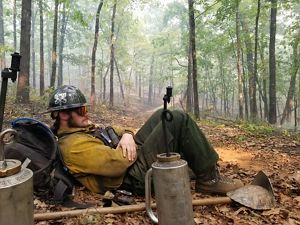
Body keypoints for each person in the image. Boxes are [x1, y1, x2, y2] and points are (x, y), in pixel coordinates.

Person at [47, 85, 243, 196]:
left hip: (131, 160)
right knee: (176, 119)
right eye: (81, 111)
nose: (86, 114)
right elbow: (118, 164)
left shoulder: (82, 129)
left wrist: (127, 135)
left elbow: (116, 130)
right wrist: (129, 142)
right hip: (133, 179)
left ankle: (193, 165)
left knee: (162, 114)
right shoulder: (72, 146)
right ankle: (209, 180)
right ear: (64, 115)